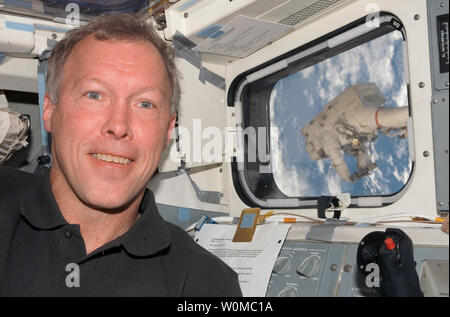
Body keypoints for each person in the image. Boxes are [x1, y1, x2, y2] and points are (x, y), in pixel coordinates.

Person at [0, 13, 242, 297]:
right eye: (94, 95)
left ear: (168, 130)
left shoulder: (207, 283)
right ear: (50, 111)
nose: (118, 125)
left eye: (145, 104)